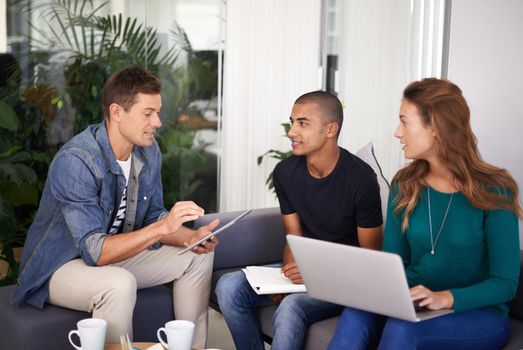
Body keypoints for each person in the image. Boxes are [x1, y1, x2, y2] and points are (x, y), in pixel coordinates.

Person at [12, 66, 220, 347]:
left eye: (157, 112)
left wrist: (191, 237)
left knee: (197, 256)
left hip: (112, 255)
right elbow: (95, 252)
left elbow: (153, 219)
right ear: (116, 112)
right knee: (118, 284)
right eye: (148, 113)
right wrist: (162, 227)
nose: (157, 122)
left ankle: (192, 347)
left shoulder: (148, 150)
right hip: (60, 267)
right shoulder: (76, 161)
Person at [328, 78, 522, 350]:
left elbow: (505, 284)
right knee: (356, 313)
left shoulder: (496, 189)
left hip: (477, 313)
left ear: (436, 128)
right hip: (414, 302)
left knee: (403, 329)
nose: (397, 132)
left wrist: (445, 298)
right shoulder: (405, 184)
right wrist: (374, 291)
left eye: (404, 122)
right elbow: (394, 264)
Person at [216, 91, 384, 350]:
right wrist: (287, 276)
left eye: (302, 123)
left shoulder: (361, 179)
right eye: (292, 122)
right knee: (228, 286)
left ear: (330, 129)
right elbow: (293, 237)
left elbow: (371, 259)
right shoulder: (285, 172)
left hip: (346, 279)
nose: (292, 131)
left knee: (292, 307)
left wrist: (314, 273)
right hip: (306, 271)